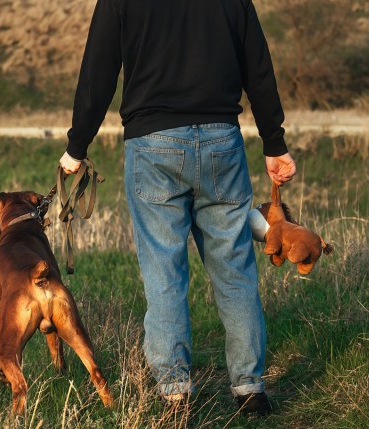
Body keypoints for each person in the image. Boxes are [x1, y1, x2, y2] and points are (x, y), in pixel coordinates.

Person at [58, 0, 297, 416]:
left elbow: (97, 72)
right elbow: (258, 65)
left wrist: (76, 147)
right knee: (235, 267)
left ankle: (175, 393)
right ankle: (250, 390)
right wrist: (274, 143)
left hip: (153, 145)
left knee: (164, 272)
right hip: (223, 139)